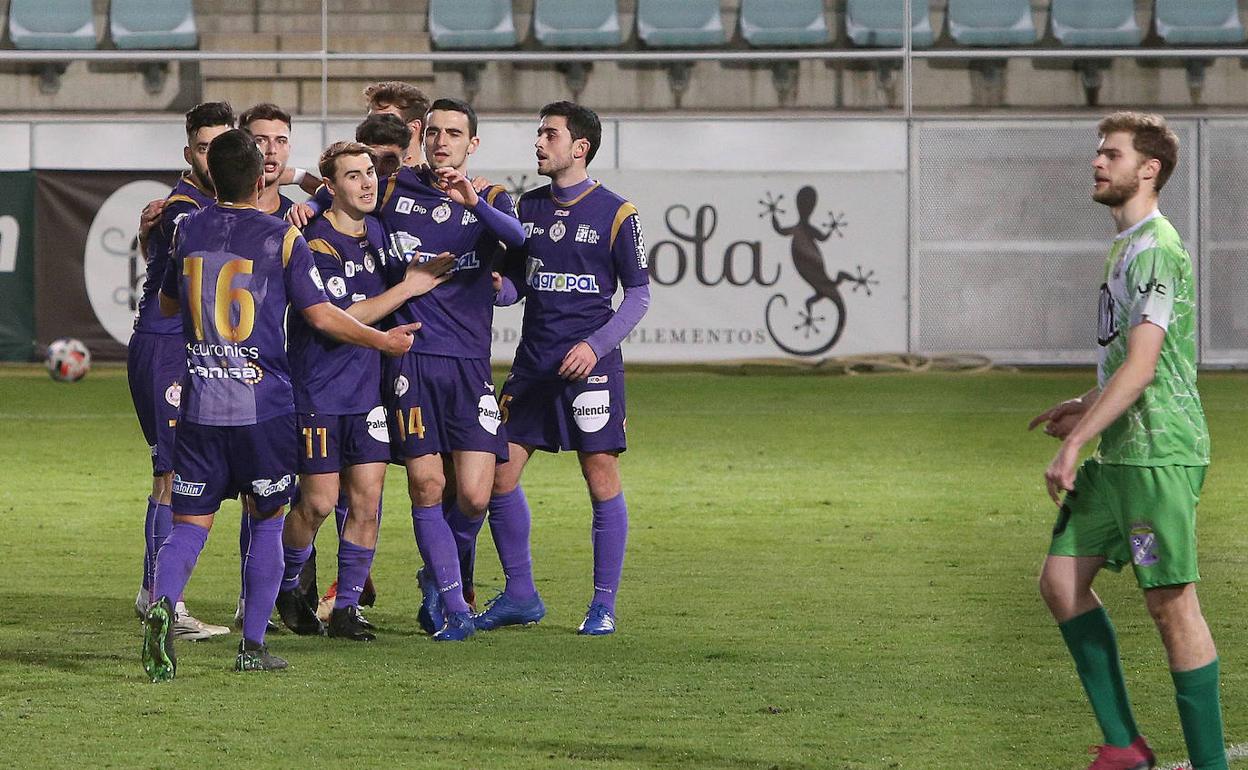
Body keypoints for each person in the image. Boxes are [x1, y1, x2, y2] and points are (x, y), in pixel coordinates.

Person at [141, 129, 420, 681]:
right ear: (262, 175)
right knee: (266, 523)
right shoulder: (281, 238)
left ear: (212, 176)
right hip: (263, 406)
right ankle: (251, 646)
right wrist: (384, 341)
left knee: (191, 524)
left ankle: (162, 605)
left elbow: (169, 302)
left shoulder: (188, 229)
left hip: (200, 405)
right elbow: (320, 315)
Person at [1030, 112, 1226, 770]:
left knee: (1171, 604)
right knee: (1061, 582)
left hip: (1159, 454)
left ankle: (1210, 765)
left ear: (1149, 169)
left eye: (1110, 154)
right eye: (1097, 153)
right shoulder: (1125, 246)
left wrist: (1074, 443)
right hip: (1122, 453)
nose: (1097, 163)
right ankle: (1124, 745)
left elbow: (1145, 368)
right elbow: (1128, 365)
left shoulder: (1158, 248)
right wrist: (1084, 405)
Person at [484, 101, 650, 636]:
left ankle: (603, 604)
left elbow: (639, 295)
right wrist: (495, 289)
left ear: (579, 147)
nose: (539, 143)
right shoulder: (526, 209)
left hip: (590, 370)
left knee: (599, 477)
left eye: (549, 135)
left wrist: (596, 346)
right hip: (533, 365)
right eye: (538, 133)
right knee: (497, 475)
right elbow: (517, 287)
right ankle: (520, 593)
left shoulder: (618, 214)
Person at [276, 140, 452, 642]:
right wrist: (408, 289)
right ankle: (290, 585)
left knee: (368, 501)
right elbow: (339, 320)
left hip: (368, 392)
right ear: (330, 188)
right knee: (317, 503)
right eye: (353, 175)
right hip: (318, 389)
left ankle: (347, 606)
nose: (367, 181)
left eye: (369, 172)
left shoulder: (379, 231)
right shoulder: (315, 241)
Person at [374, 97, 525, 641]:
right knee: (427, 484)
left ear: (472, 144)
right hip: (412, 359)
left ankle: (436, 579)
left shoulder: (491, 197)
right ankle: (457, 609)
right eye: (434, 132)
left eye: (454, 134)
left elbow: (522, 245)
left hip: (469, 365)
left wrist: (472, 201)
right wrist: (305, 205)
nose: (442, 141)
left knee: (476, 495)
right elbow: (341, 197)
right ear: (422, 136)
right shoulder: (394, 188)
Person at [127, 101, 235, 641]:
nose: (212, 159)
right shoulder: (182, 208)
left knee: (187, 473)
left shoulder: (225, 200)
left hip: (193, 350)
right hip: (166, 346)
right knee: (170, 474)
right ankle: (159, 598)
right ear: (188, 153)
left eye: (222, 148)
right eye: (202, 149)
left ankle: (157, 593)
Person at [363, 81, 430, 167]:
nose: (373, 130)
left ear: (414, 127)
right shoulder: (358, 178)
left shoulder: (440, 178)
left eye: (385, 122)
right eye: (370, 123)